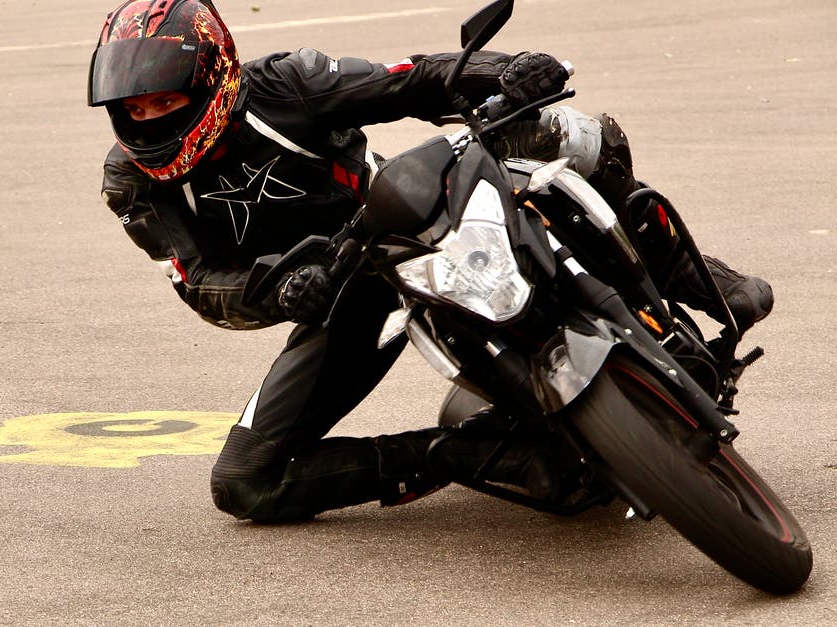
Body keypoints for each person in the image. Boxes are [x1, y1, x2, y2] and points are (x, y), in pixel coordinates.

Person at [88, 0, 774, 523]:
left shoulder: (286, 86)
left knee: (562, 134)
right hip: (336, 287)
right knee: (244, 482)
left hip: (413, 218)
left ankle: (704, 282)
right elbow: (199, 282)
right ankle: (472, 449)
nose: (148, 118)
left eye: (165, 100)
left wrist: (504, 72)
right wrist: (280, 292)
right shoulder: (132, 182)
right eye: (134, 107)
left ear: (212, 78)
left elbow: (414, 80)